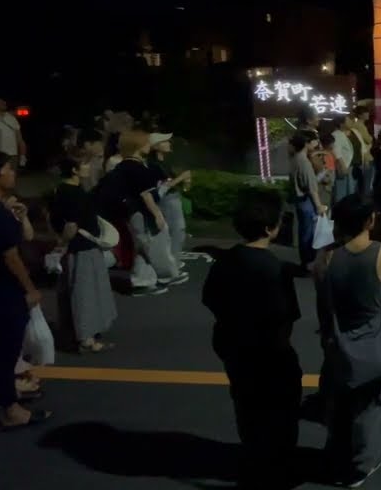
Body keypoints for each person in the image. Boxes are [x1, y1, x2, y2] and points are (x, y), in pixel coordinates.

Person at [201, 189, 302, 487]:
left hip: (234, 348)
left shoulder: (225, 262)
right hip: (272, 353)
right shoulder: (275, 269)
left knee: (247, 408)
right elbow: (288, 316)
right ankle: (278, 468)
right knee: (282, 415)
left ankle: (254, 459)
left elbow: (210, 299)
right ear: (271, 228)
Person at [314, 195, 381, 487]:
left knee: (338, 408)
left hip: (338, 346)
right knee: (370, 412)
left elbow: (323, 302)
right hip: (373, 349)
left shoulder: (325, 257)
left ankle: (334, 459)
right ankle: (360, 467)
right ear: (370, 221)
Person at [0, 151, 50, 428]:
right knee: (4, 349)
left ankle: (0, 398)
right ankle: (10, 409)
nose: (12, 173)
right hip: (3, 291)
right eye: (7, 169)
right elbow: (10, 256)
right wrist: (30, 289)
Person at [50, 156, 117, 353]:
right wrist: (63, 243)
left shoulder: (61, 190)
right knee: (85, 293)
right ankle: (86, 338)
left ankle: (75, 333)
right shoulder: (75, 193)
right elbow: (71, 224)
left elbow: (54, 218)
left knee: (74, 291)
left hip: (77, 248)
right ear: (74, 170)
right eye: (85, 164)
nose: (88, 167)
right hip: (83, 248)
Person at [107, 130, 186, 286]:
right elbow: (145, 194)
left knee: (143, 245)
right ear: (137, 146)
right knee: (154, 244)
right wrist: (157, 214)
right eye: (146, 143)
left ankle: (142, 280)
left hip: (134, 211)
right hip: (139, 212)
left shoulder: (127, 165)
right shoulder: (135, 166)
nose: (149, 146)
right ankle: (166, 275)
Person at [147, 132, 192, 265]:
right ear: (155, 146)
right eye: (165, 141)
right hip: (167, 200)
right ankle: (173, 264)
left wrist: (185, 182)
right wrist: (181, 178)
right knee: (177, 230)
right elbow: (161, 187)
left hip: (173, 198)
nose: (169, 143)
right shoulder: (153, 165)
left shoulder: (164, 162)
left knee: (176, 231)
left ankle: (172, 261)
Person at [289, 130, 326, 273]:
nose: (316, 144)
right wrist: (318, 206)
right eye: (314, 141)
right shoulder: (303, 161)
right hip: (306, 202)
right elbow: (311, 188)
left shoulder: (296, 158)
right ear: (306, 143)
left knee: (305, 232)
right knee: (308, 235)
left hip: (300, 201)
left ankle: (306, 262)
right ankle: (308, 264)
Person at [346, 107, 375, 198]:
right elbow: (368, 139)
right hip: (366, 156)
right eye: (365, 113)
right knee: (366, 183)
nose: (368, 114)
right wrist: (372, 139)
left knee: (362, 183)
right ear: (360, 115)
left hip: (362, 156)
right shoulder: (359, 125)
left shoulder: (358, 125)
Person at [329, 120, 357, 205]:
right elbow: (336, 152)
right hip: (342, 166)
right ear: (342, 124)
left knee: (347, 192)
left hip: (346, 166)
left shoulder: (341, 134)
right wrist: (342, 165)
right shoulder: (336, 135)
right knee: (341, 194)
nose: (351, 122)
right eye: (348, 120)